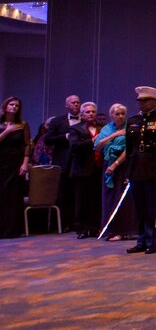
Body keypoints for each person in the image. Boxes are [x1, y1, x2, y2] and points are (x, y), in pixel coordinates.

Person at [124, 87, 156, 254]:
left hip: (153, 167)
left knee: (151, 207)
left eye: (145, 100)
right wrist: (128, 172)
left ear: (154, 102)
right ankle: (140, 240)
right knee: (139, 206)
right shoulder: (132, 121)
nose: (142, 103)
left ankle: (151, 240)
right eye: (140, 101)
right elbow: (129, 147)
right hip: (136, 167)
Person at [43, 93, 82, 227]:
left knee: (79, 193)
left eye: (78, 102)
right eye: (73, 103)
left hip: (80, 162)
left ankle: (78, 222)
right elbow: (47, 140)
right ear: (67, 105)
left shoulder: (85, 121)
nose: (76, 104)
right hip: (63, 162)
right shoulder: (57, 121)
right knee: (64, 193)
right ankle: (64, 223)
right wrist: (64, 137)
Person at [66, 101, 102, 238]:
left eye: (93, 111)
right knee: (82, 201)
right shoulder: (75, 129)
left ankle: (95, 228)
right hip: (82, 169)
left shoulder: (102, 128)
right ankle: (81, 229)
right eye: (88, 112)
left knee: (96, 200)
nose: (91, 114)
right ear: (82, 114)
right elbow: (74, 146)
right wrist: (92, 141)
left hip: (98, 168)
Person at [94, 103, 128, 241]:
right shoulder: (107, 128)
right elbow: (97, 146)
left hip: (123, 166)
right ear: (111, 115)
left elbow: (129, 149)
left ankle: (121, 231)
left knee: (120, 199)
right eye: (117, 114)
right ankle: (109, 230)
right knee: (108, 198)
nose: (120, 116)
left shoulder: (129, 127)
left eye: (122, 113)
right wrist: (114, 135)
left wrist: (115, 164)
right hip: (107, 165)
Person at [0, 96, 32, 238]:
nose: (14, 107)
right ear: (5, 106)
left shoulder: (23, 124)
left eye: (17, 105)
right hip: (1, 162)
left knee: (13, 196)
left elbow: (26, 145)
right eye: (11, 104)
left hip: (15, 163)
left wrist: (25, 163)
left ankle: (12, 230)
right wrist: (7, 130)